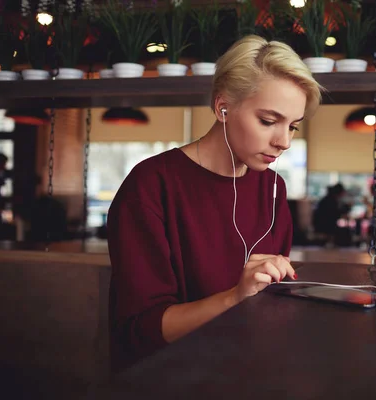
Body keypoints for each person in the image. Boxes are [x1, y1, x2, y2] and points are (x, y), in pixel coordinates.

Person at [107, 35, 323, 373]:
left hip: (250, 376)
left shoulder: (273, 188)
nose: (283, 142)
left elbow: (268, 305)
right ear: (222, 107)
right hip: (169, 381)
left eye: (293, 126)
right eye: (268, 121)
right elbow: (139, 332)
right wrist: (235, 296)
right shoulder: (151, 185)